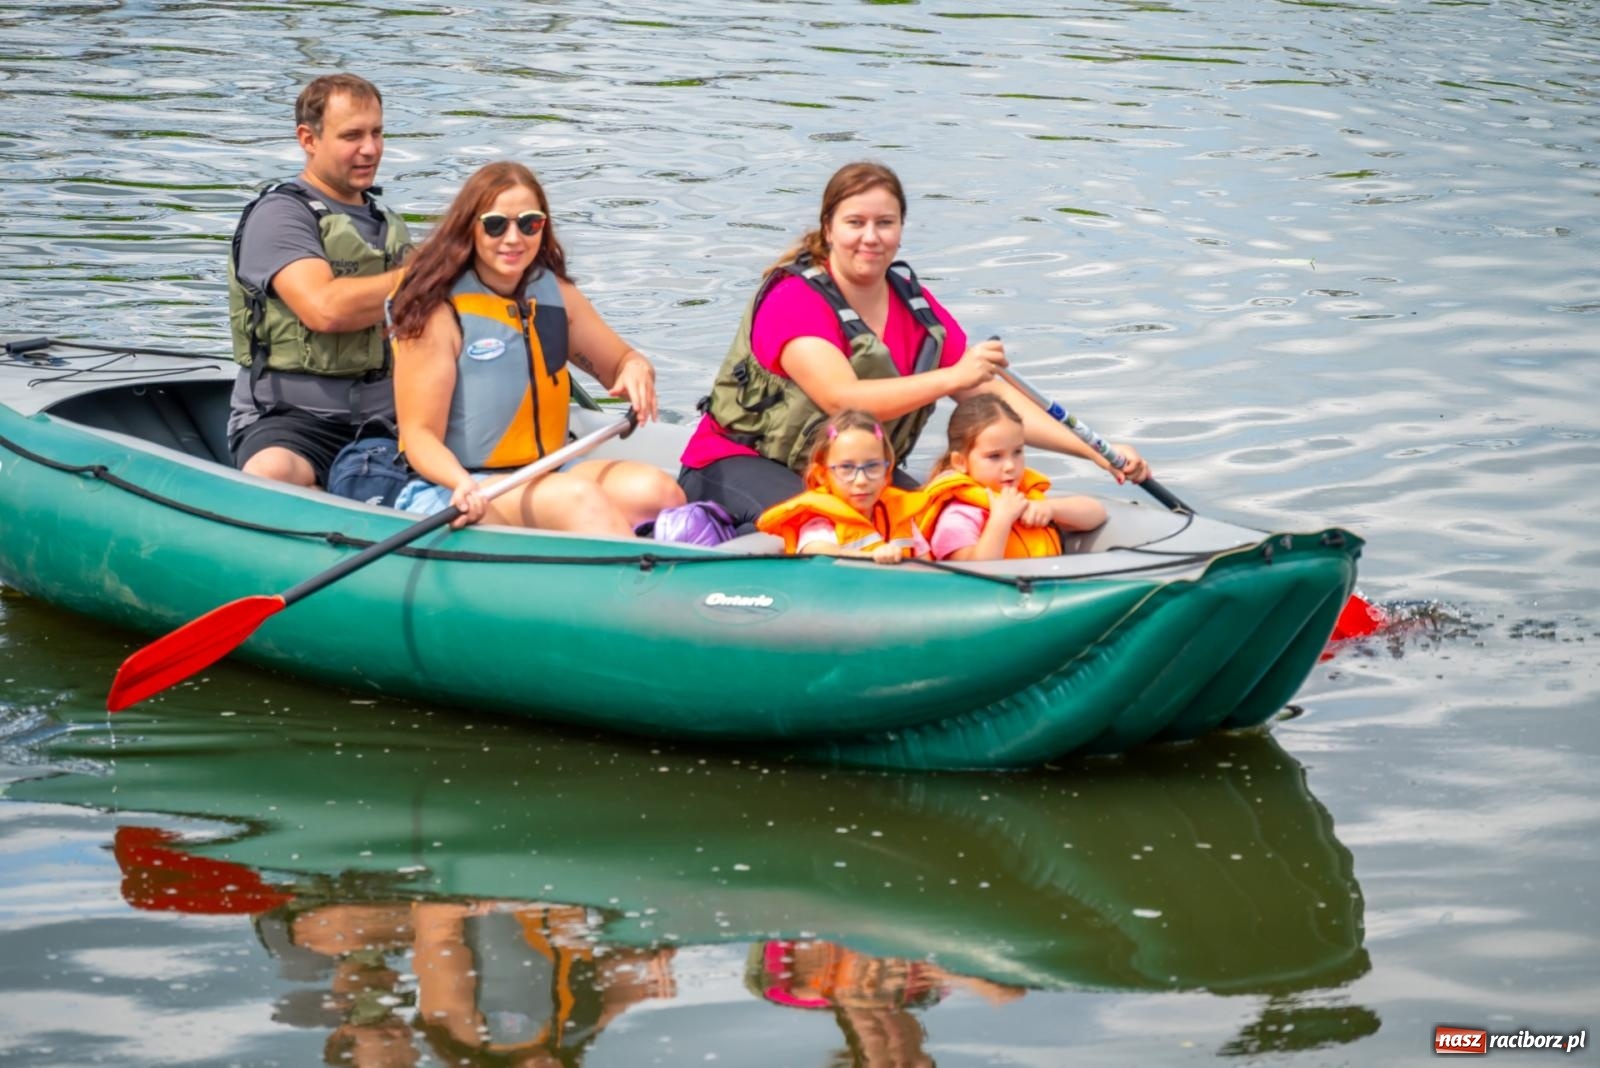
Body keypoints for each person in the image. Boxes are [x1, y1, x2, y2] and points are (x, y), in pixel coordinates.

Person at [679, 159, 1149, 533]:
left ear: (901, 229)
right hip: (738, 463)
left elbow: (995, 402)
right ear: (828, 228)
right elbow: (841, 399)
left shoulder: (916, 309)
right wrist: (953, 377)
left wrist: (1093, 450)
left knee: (935, 516)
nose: (871, 237)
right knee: (833, 527)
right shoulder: (794, 300)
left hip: (853, 471)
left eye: (885, 223)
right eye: (855, 222)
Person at [386, 161, 685, 534]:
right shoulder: (436, 310)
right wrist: (461, 483)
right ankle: (643, 584)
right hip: (456, 487)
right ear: (470, 229)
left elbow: (622, 360)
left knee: (659, 493)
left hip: (548, 470)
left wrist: (637, 369)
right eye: (496, 224)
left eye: (529, 223)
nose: (513, 238)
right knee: (579, 499)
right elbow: (419, 436)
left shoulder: (555, 294)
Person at [227, 73, 412, 488]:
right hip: (296, 425)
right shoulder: (280, 216)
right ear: (308, 139)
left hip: (389, 422)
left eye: (377, 133)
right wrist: (426, 276)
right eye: (352, 136)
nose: (370, 149)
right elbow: (324, 310)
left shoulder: (389, 224)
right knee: (270, 473)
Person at [921, 394, 1106, 561]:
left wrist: (1050, 508)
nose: (1010, 466)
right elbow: (976, 570)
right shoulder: (958, 518)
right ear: (960, 462)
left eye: (1017, 452)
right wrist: (1001, 520)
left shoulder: (1025, 498)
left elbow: (1097, 514)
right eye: (995, 456)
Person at [756, 410, 929, 564]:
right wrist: (872, 557)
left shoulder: (902, 516)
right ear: (822, 475)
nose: (861, 480)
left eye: (873, 466)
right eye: (846, 468)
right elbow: (817, 552)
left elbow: (929, 566)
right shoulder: (820, 523)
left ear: (886, 473)